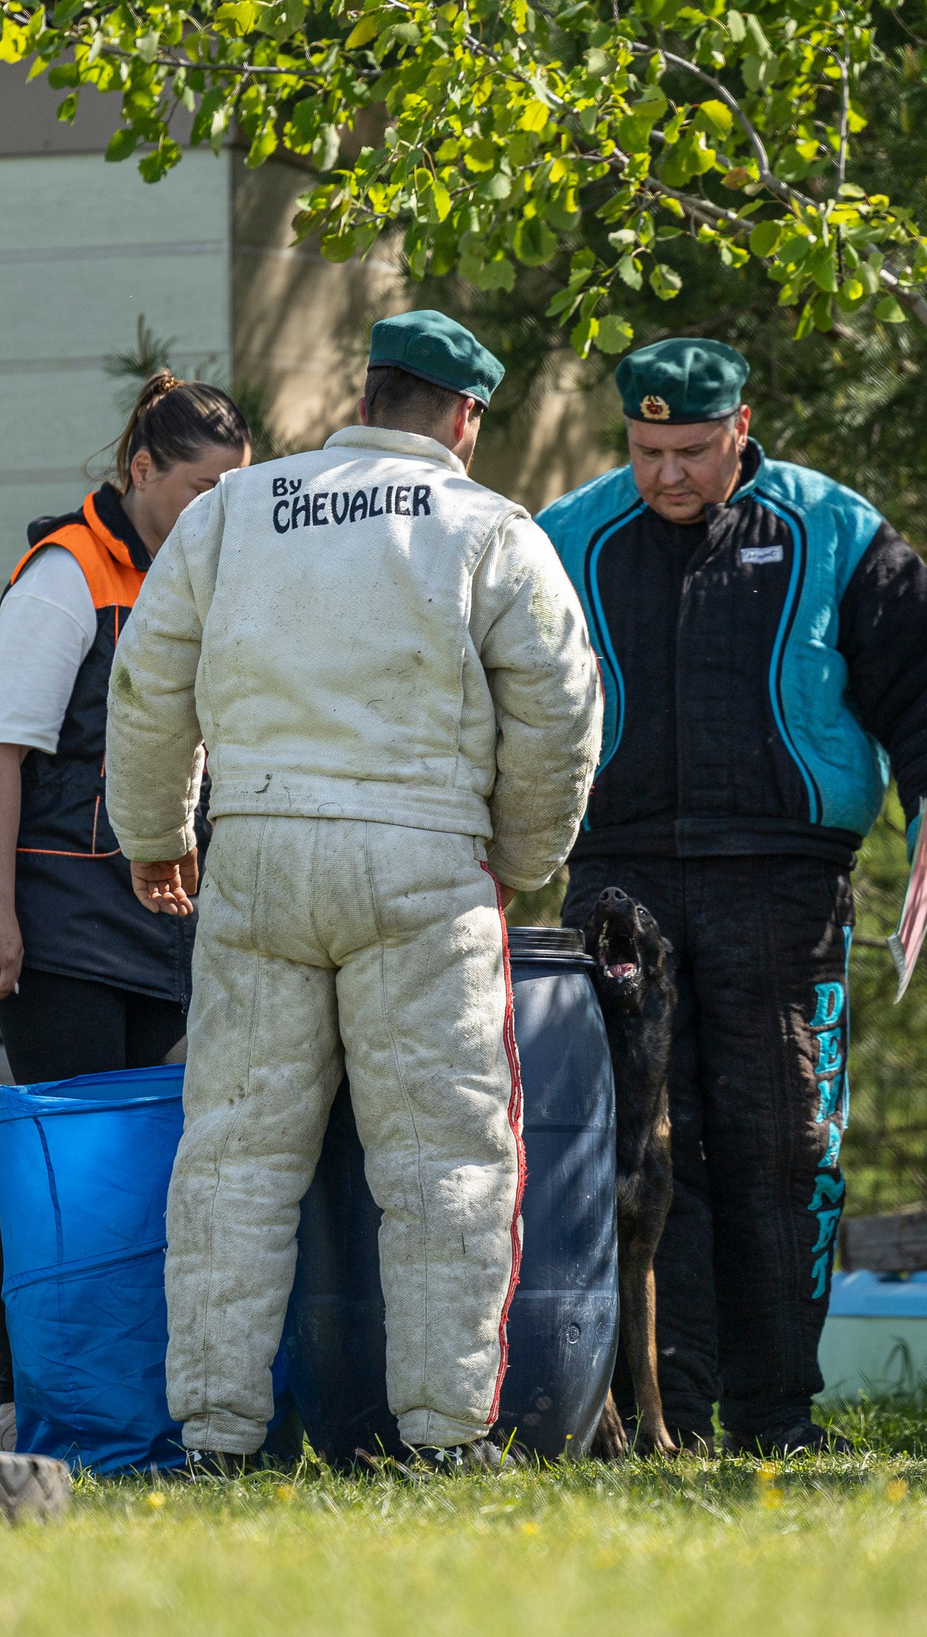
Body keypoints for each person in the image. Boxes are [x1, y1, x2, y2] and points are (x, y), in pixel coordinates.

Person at [105, 311, 602, 1470]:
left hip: (258, 852)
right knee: (445, 1156)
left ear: (364, 396)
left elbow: (148, 680)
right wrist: (520, 856)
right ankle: (445, 1430)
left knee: (233, 1153)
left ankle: (216, 1431)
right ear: (464, 416)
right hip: (422, 860)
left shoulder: (232, 510)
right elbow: (558, 712)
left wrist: (155, 832)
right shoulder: (488, 529)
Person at [534, 337, 927, 1456]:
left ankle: (777, 1415)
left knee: (787, 1149)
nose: (667, 475)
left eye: (692, 451)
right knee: (641, 1156)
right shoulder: (562, 539)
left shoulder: (833, 528)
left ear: (742, 426)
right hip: (619, 882)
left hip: (786, 885)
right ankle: (665, 1421)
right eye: (646, 451)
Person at [0, 371, 251, 1449]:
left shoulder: (204, 578)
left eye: (236, 492)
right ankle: (22, 1405)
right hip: (57, 923)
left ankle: (135, 1407)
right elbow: (0, 754)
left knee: (155, 1172)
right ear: (140, 469)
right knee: (66, 1175)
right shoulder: (65, 574)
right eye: (203, 489)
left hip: (163, 923)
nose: (219, 511)